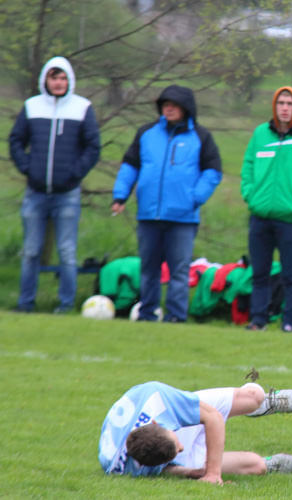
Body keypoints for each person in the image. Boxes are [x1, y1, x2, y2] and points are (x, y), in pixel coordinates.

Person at [111, 85, 222, 323]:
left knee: (179, 272)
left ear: (186, 108)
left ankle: (175, 317)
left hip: (183, 218)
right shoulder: (146, 133)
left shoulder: (201, 137)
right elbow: (130, 166)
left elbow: (212, 171)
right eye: (165, 104)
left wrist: (195, 198)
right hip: (149, 215)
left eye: (173, 104)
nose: (168, 108)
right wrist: (120, 196)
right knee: (149, 270)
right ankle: (147, 314)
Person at [8, 56, 101, 313]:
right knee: (30, 251)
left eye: (62, 78)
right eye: (53, 77)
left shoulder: (82, 107)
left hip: (67, 193)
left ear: (69, 80)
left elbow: (93, 147)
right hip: (35, 192)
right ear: (45, 80)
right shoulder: (32, 106)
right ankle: (25, 303)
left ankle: (65, 305)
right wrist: (28, 169)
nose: (58, 83)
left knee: (67, 252)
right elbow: (16, 140)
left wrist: (75, 173)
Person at [98, 381, 292, 483]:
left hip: (172, 411)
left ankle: (263, 404)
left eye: (176, 444)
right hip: (158, 432)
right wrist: (189, 472)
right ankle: (268, 463)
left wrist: (213, 474)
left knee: (253, 397)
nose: (181, 447)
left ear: (158, 424)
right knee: (257, 466)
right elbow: (163, 470)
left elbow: (213, 417)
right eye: (177, 452)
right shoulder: (126, 467)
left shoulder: (160, 399)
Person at [241, 86, 292, 332]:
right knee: (259, 273)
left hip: (289, 218)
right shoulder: (260, 134)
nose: (285, 108)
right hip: (260, 216)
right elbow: (248, 166)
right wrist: (250, 194)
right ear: (274, 107)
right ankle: (258, 320)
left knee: (290, 274)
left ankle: (289, 321)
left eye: (289, 103)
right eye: (281, 103)